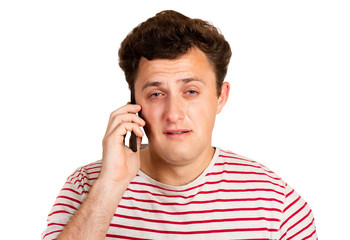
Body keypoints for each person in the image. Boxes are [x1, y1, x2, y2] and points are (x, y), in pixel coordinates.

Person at [42, 10, 317, 240]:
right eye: (156, 94)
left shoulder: (278, 205)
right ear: (132, 105)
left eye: (191, 91)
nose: (173, 114)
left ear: (220, 97)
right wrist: (110, 186)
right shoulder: (86, 186)